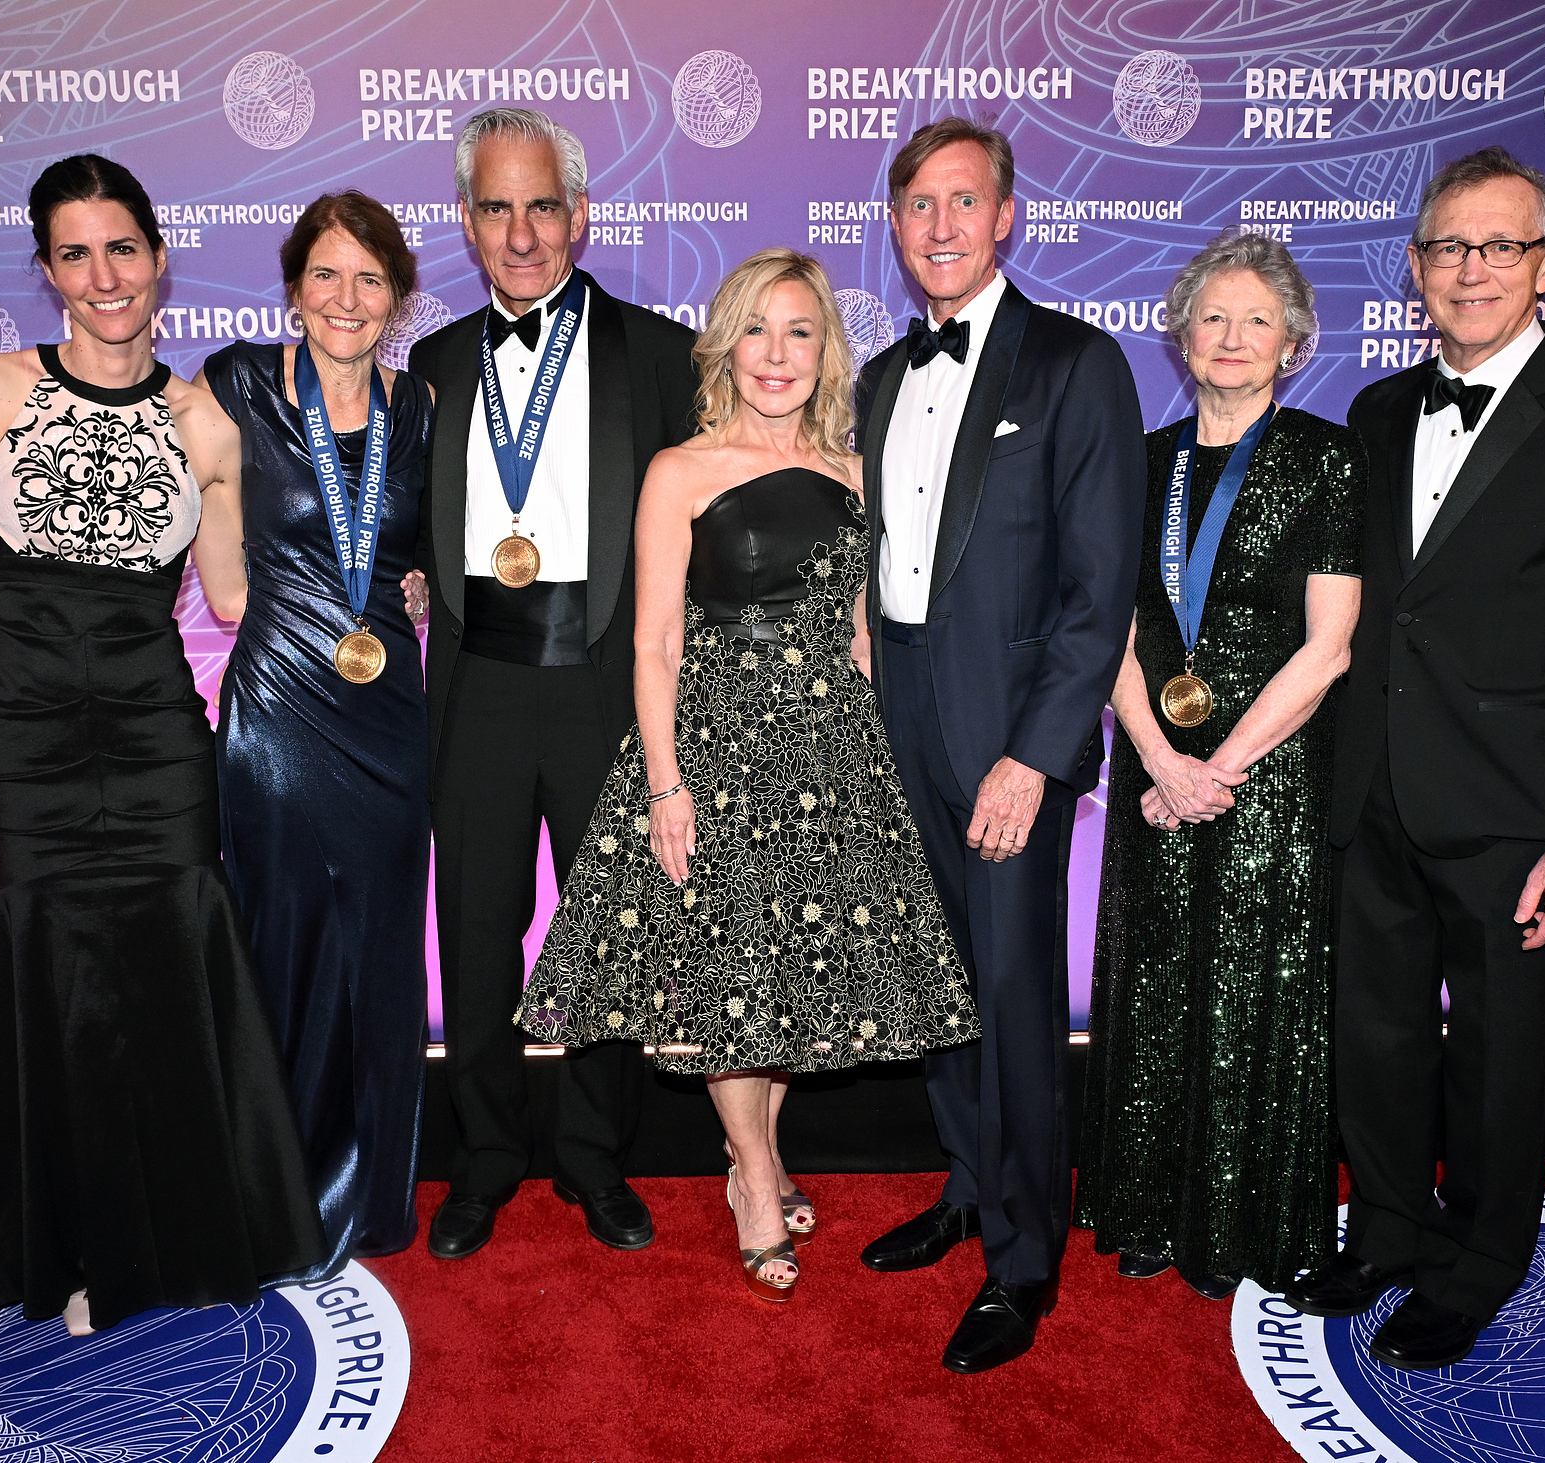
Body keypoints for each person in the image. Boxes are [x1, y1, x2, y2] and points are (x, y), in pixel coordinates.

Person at [517, 249, 977, 1302]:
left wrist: (879, 761)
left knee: (784, 978)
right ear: (727, 342)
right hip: (716, 746)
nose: (777, 354)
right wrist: (666, 786)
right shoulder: (682, 467)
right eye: (758, 330)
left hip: (828, 747)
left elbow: (861, 630)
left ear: (826, 352)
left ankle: (746, 1159)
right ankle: (759, 1174)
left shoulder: (857, 472)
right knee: (731, 977)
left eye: (800, 332)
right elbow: (653, 644)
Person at [1286, 146, 1545, 1370]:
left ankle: (1477, 1263)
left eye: (1498, 245)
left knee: (1499, 1059)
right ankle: (1391, 1232)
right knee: (1378, 1037)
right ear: (1413, 267)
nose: (1470, 269)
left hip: (1515, 811)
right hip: (1373, 784)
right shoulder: (1376, 408)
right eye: (1448, 247)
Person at [0, 154, 322, 1337]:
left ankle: (195, 1233)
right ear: (47, 269)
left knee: (165, 973)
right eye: (75, 253)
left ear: (160, 255)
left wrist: (372, 594)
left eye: (123, 249)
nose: (105, 277)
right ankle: (76, 1244)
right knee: (56, 980)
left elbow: (237, 595)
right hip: (26, 733)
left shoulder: (203, 418)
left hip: (155, 737)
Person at [854, 117, 1146, 1373]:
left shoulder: (1077, 364)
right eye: (916, 204)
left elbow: (1100, 590)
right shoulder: (873, 377)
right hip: (896, 715)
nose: (938, 226)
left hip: (1005, 734)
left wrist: (1035, 754)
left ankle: (1023, 1260)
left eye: (961, 201)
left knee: (1016, 994)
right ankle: (970, 1184)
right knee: (933, 978)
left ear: (1007, 214)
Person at [404, 107, 699, 1260]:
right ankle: (484, 1158)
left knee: (608, 939)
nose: (519, 232)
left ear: (580, 215)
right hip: (474, 684)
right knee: (475, 937)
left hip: (606, 688)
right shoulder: (425, 369)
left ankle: (591, 1156)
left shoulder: (664, 354)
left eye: (540, 205)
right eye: (494, 206)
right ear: (467, 224)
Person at [1074, 231, 1363, 1301]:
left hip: (1268, 773)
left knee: (1254, 992)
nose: (1231, 338)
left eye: (1255, 321)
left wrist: (1218, 768)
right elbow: (1102, 625)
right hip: (1150, 763)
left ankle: (1243, 1221)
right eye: (1211, 317)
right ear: (1178, 335)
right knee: (1151, 980)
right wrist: (1155, 752)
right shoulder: (1136, 460)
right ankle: (1146, 1209)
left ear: (1291, 341)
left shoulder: (1324, 456)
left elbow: (1327, 645)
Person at [194, 193, 435, 1276]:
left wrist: (419, 583)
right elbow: (110, 400)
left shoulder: (421, 407)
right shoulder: (238, 381)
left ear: (397, 295)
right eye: (326, 276)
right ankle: (272, 1190)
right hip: (279, 712)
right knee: (283, 948)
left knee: (380, 952)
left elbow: (429, 545)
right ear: (293, 286)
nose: (347, 299)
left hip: (387, 718)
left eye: (369, 279)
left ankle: (370, 1194)